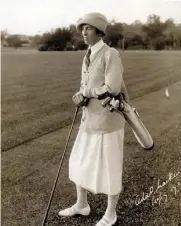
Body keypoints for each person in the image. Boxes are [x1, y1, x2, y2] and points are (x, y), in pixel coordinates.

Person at [58, 12, 130, 226]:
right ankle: (82, 204)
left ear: (98, 31)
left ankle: (110, 213)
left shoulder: (111, 54)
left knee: (110, 166)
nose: (83, 32)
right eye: (81, 29)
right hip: (89, 119)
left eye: (87, 28)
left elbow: (113, 87)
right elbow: (86, 86)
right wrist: (81, 95)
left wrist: (87, 92)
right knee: (78, 161)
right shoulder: (87, 54)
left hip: (109, 120)